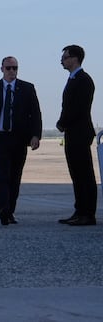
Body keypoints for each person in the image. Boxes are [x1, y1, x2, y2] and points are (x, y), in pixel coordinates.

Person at [0, 56, 42, 226]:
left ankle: (10, 211)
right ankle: (2, 210)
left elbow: (35, 114)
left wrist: (35, 135)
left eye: (15, 68)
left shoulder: (27, 89)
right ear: (2, 69)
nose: (12, 71)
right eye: (9, 68)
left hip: (19, 139)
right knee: (2, 176)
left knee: (15, 177)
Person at [57, 44, 97, 226]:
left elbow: (77, 108)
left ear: (74, 58)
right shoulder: (74, 79)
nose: (62, 60)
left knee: (84, 174)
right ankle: (79, 210)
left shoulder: (83, 80)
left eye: (65, 57)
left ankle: (87, 214)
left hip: (79, 132)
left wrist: (62, 122)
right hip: (73, 133)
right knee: (76, 174)